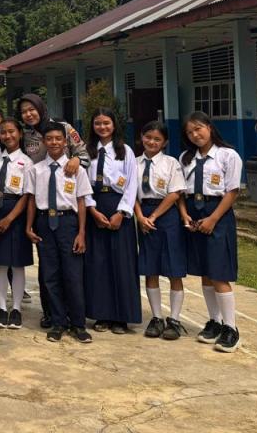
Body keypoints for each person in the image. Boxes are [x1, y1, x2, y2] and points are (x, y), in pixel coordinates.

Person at [17, 93, 89, 323]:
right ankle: (51, 314)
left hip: (67, 196)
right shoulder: (24, 134)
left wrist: (76, 160)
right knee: (47, 271)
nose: (29, 114)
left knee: (71, 271)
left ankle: (74, 316)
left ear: (41, 107)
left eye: (32, 109)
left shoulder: (63, 127)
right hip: (40, 204)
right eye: (24, 111)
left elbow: (84, 154)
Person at [176, 111, 242, 353]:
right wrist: (184, 214)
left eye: (199, 129)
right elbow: (180, 192)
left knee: (219, 272)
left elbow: (232, 192)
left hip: (218, 213)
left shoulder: (228, 155)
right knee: (204, 271)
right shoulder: (185, 158)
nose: (195, 135)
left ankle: (231, 328)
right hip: (193, 211)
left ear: (210, 128)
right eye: (190, 132)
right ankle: (214, 321)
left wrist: (213, 219)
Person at [25, 122, 92, 344]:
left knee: (73, 276)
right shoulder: (36, 170)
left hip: (68, 224)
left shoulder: (77, 169)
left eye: (58, 139)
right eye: (49, 139)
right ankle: (57, 322)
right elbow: (32, 200)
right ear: (44, 142)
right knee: (50, 276)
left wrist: (81, 233)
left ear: (65, 142)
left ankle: (78, 324)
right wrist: (29, 226)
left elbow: (81, 201)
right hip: (45, 224)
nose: (54, 142)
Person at [83, 107, 141, 334]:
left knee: (122, 263)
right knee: (98, 263)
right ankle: (101, 314)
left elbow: (132, 185)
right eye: (97, 123)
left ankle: (122, 317)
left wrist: (122, 213)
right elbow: (82, 182)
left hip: (118, 208)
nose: (102, 127)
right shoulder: (87, 151)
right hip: (95, 207)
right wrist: (91, 209)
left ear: (114, 125)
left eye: (106, 123)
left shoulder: (125, 151)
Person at [134, 121, 188, 341]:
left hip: (166, 216)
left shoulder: (171, 163)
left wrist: (154, 216)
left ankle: (173, 319)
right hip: (143, 213)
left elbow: (175, 193)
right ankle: (156, 317)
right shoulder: (134, 163)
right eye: (148, 137)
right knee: (150, 267)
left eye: (157, 139)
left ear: (164, 142)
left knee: (174, 268)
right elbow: (131, 194)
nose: (152, 142)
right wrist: (140, 217)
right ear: (141, 137)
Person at [0, 118, 34, 330]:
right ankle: (2, 308)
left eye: (12, 132)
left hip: (15, 212)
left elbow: (26, 195)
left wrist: (10, 218)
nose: (8, 136)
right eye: (3, 133)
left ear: (20, 133)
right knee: (0, 262)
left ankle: (16, 308)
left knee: (17, 263)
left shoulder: (26, 162)